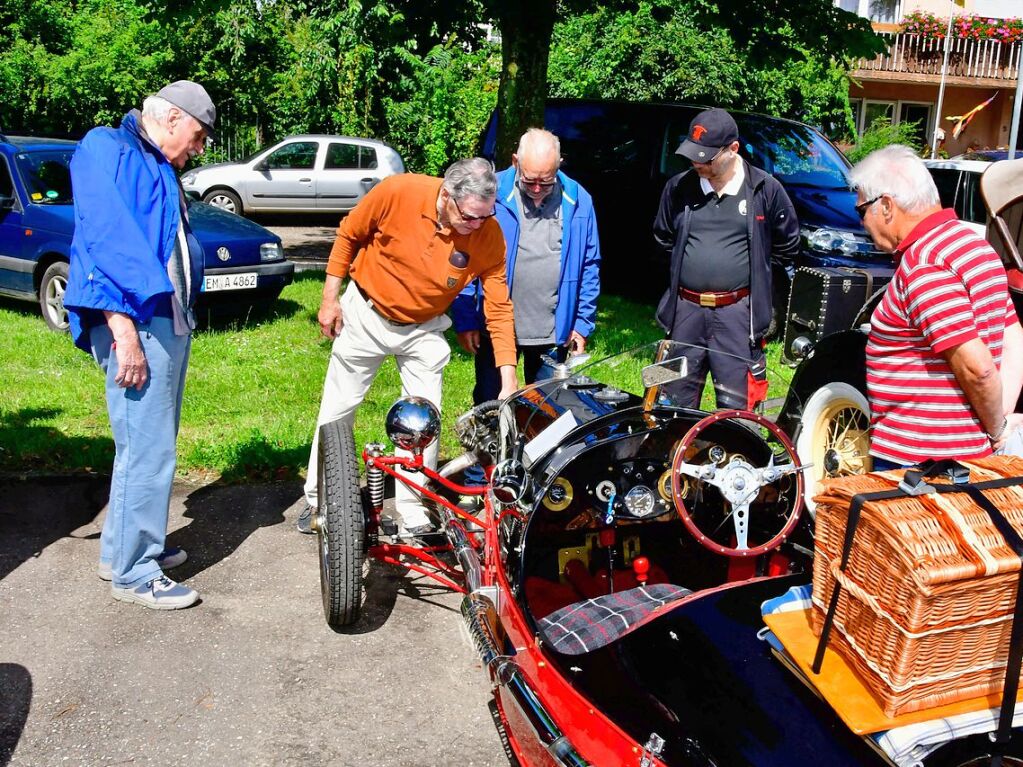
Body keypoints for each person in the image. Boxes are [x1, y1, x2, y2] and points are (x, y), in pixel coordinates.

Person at [297, 159, 519, 535]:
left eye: (486, 216)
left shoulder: (489, 233)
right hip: (366, 313)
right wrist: (329, 299)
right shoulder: (397, 191)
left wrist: (508, 376)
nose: (478, 225)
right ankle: (321, 501)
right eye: (470, 217)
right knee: (338, 409)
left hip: (425, 326)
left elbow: (498, 305)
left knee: (423, 421)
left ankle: (413, 507)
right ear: (447, 195)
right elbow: (348, 235)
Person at [64, 81, 216, 609]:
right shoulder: (108, 147)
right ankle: (134, 571)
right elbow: (103, 240)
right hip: (137, 322)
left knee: (146, 447)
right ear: (172, 118)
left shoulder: (154, 161)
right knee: (148, 451)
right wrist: (122, 329)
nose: (198, 149)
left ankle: (120, 550)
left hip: (165, 320)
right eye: (198, 136)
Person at [849, 144, 1023, 470]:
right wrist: (999, 417)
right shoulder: (975, 246)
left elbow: (979, 369)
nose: (861, 223)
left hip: (921, 464)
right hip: (960, 457)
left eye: (861, 211)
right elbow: (1014, 338)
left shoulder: (925, 263)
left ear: (886, 206)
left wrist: (997, 427)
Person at [653, 108, 799, 409]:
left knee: (738, 408)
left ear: (733, 149)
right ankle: (669, 451)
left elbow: (788, 245)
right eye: (693, 154)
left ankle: (737, 454)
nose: (697, 162)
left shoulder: (764, 190)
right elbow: (663, 238)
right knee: (668, 396)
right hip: (685, 315)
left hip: (737, 316)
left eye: (706, 157)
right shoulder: (678, 188)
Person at [451, 128, 601, 402]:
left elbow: (590, 265)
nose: (536, 189)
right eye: (529, 180)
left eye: (546, 182)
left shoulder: (579, 200)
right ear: (515, 162)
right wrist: (465, 318)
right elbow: (465, 257)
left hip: (554, 329)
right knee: (490, 402)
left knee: (546, 409)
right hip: (495, 324)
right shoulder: (489, 195)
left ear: (559, 165)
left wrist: (582, 322)